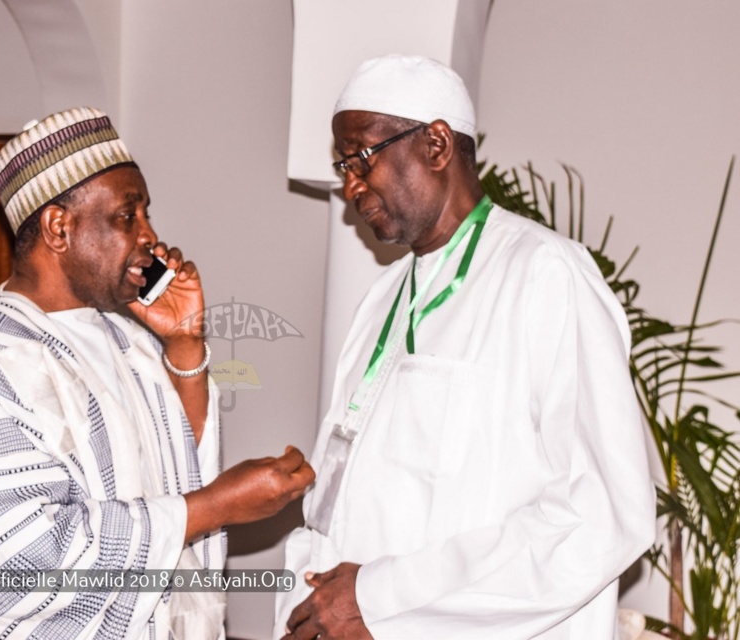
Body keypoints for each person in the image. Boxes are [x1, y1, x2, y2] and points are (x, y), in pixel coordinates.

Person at [0, 106, 314, 640]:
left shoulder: (123, 335)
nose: (150, 235)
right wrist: (214, 508)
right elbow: (17, 564)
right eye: (127, 216)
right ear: (59, 226)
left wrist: (185, 345)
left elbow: (170, 463)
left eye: (145, 213)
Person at [274, 55, 656, 639]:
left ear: (435, 144)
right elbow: (333, 494)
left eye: (361, 157)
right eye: (341, 164)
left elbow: (602, 513)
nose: (350, 184)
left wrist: (380, 600)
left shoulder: (545, 273)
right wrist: (307, 609)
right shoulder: (380, 301)